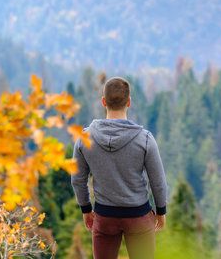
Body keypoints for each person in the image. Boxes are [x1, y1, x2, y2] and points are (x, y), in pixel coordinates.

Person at [71, 76, 168, 259]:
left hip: (104, 216)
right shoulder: (145, 139)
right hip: (138, 216)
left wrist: (86, 209)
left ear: (103, 102)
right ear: (129, 102)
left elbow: (77, 179)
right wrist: (161, 211)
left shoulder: (84, 139)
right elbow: (158, 181)